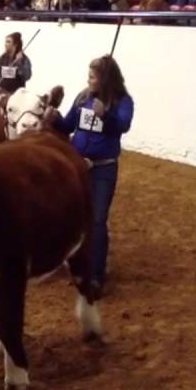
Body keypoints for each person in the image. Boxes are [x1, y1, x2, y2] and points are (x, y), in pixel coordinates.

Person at [52, 55, 134, 299]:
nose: (88, 80)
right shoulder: (82, 98)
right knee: (74, 218)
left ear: (105, 79)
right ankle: (77, 266)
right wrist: (53, 117)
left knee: (97, 221)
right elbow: (67, 126)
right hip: (77, 167)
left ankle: (96, 275)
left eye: (92, 76)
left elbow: (123, 126)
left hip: (102, 169)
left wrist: (104, 116)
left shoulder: (122, 101)